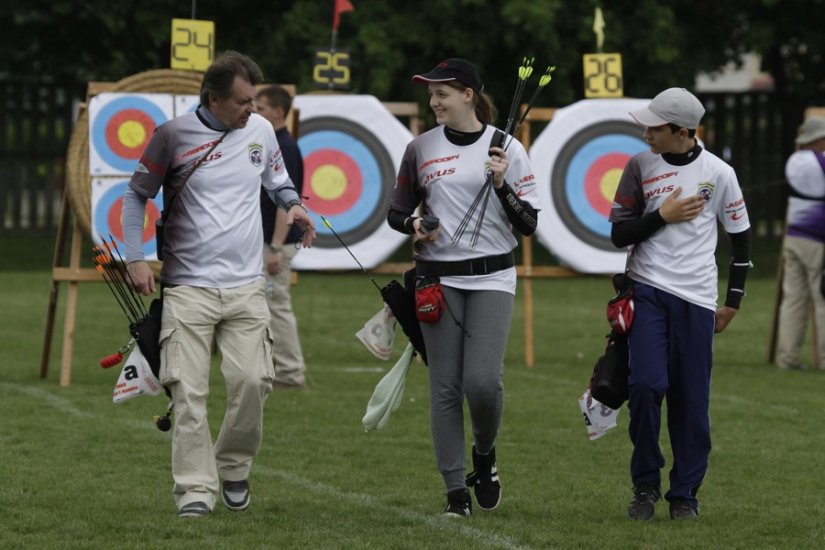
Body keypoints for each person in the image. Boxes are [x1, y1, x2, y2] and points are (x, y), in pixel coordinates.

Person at [122, 51, 316, 518]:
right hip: (188, 288)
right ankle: (193, 490)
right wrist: (135, 258)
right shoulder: (172, 136)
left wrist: (295, 205)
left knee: (253, 381)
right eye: (242, 101)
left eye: (254, 100)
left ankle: (233, 466)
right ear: (213, 98)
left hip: (246, 286)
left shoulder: (262, 131)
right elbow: (136, 195)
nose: (252, 109)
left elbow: (278, 181)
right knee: (188, 392)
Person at [387, 58, 541, 517]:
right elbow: (396, 213)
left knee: (482, 383)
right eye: (431, 94)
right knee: (445, 388)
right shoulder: (419, 148)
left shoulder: (505, 147)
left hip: (493, 276)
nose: (433, 102)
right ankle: (456, 491)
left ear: (468, 95)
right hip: (438, 278)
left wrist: (501, 184)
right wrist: (416, 223)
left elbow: (529, 223)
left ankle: (485, 454)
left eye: (442, 94)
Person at [609, 87, 752, 521]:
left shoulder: (720, 173)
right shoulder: (638, 166)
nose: (645, 132)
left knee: (691, 401)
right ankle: (645, 485)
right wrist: (661, 216)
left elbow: (741, 240)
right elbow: (619, 234)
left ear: (682, 132)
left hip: (697, 300)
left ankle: (685, 495)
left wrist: (732, 303)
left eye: (655, 127)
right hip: (647, 290)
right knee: (646, 387)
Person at [255, 85, 308, 388]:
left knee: (277, 306)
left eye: (261, 108)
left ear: (277, 111)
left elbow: (284, 202)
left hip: (278, 241)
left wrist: (275, 246)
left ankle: (290, 372)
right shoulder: (276, 142)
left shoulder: (284, 146)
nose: (254, 113)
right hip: (271, 240)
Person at [776, 116, 825, 370]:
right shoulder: (821, 161)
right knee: (822, 298)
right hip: (817, 239)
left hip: (793, 235)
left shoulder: (794, 160)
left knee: (793, 298)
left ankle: (788, 358)